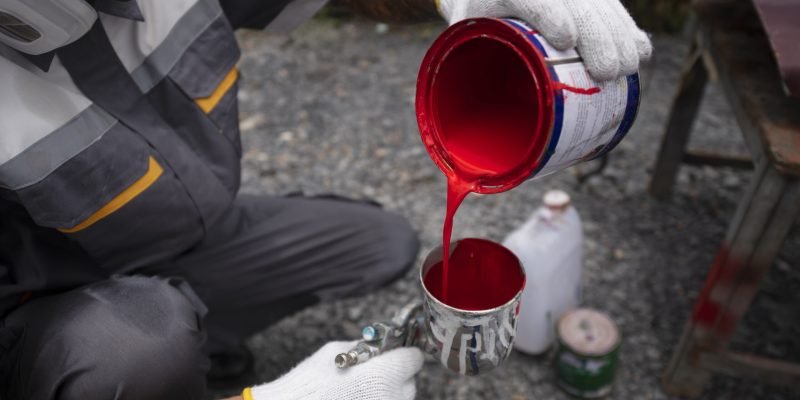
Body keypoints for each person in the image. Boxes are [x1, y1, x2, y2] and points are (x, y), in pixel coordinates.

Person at [0, 0, 651, 399]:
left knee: (383, 243)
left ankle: (187, 336)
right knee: (138, 347)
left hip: (184, 239)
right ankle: (146, 361)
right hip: (42, 314)